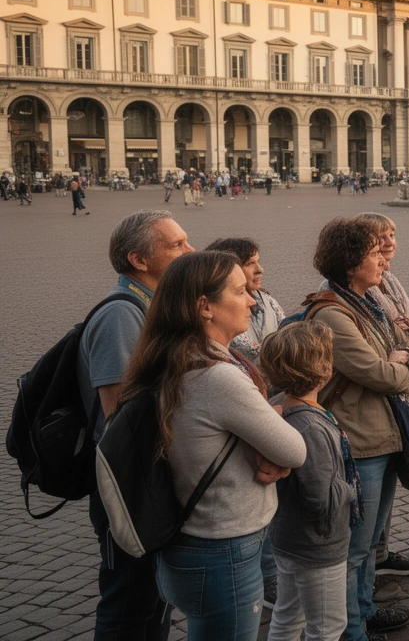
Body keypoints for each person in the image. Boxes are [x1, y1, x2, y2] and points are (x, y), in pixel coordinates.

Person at [118, 251, 306, 641]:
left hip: (188, 544)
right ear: (205, 307)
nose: (252, 300)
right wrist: (275, 431)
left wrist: (265, 426)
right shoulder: (218, 377)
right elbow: (295, 450)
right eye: (239, 291)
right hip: (223, 550)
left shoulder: (172, 358)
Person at [305, 217, 409, 641]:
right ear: (351, 262)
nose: (383, 260)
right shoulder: (332, 315)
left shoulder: (368, 303)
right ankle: (351, 630)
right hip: (360, 442)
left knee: (371, 540)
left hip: (383, 434)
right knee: (355, 547)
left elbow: (407, 350)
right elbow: (383, 375)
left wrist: (408, 354)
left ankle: (364, 610)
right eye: (375, 253)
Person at [78, 210, 193, 641]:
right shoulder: (121, 316)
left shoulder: (151, 308)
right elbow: (120, 418)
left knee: (154, 598)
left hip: (147, 480)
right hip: (131, 486)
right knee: (128, 602)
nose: (190, 250)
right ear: (139, 260)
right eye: (177, 245)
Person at [262, 322, 357, 641]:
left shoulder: (282, 405)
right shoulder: (309, 427)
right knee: (328, 627)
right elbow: (321, 498)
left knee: (288, 616)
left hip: (290, 539)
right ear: (322, 369)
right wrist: (349, 489)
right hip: (317, 545)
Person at [350, 213, 409, 581]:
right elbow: (385, 355)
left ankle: (379, 552)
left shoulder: (390, 281)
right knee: (370, 496)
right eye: (380, 238)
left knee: (388, 485)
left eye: (392, 234)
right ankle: (368, 573)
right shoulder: (356, 292)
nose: (388, 243)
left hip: (396, 396)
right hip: (374, 402)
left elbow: (408, 336)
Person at [205, 238, 285, 366]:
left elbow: (286, 330)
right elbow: (246, 351)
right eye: (250, 264)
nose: (260, 269)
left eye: (258, 262)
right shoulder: (222, 310)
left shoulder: (268, 301)